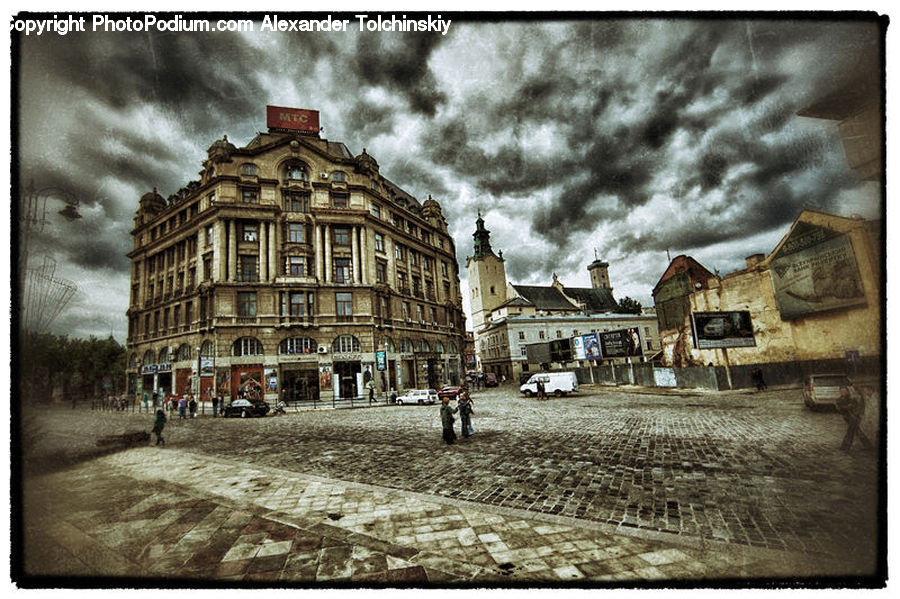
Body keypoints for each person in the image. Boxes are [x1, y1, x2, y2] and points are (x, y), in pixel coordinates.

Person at [837, 385, 873, 451]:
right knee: (856, 430)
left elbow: (857, 406)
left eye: (844, 391)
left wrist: (854, 411)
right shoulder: (839, 400)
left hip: (855, 417)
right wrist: (848, 407)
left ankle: (845, 446)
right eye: (841, 391)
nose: (843, 392)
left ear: (847, 391)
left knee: (851, 431)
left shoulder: (852, 398)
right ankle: (868, 444)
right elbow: (840, 409)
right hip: (848, 417)